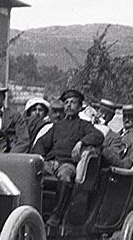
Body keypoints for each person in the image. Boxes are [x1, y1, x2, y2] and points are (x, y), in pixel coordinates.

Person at [32, 88, 104, 227]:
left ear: (80, 106)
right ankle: (33, 210)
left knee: (65, 175)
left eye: (73, 102)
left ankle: (56, 215)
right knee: (32, 171)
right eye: (66, 103)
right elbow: (42, 143)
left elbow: (98, 136)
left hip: (68, 164)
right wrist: (39, 159)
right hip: (51, 163)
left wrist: (82, 142)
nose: (69, 105)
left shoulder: (84, 125)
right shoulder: (57, 126)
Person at [93, 99, 130, 167]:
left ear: (111, 117)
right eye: (100, 111)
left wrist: (101, 148)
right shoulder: (85, 126)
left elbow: (114, 159)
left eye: (105, 113)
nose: (100, 115)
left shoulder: (115, 138)